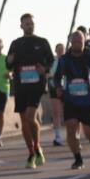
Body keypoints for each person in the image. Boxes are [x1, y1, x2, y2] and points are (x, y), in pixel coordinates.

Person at [6, 13, 55, 169]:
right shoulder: (16, 43)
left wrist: (45, 69)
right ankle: (31, 153)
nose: (29, 26)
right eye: (26, 24)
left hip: (37, 85)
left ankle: (37, 146)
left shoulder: (42, 42)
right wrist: (9, 61)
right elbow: (8, 64)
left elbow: (52, 63)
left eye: (31, 23)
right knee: (24, 122)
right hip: (20, 85)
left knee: (30, 116)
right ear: (21, 26)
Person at [53, 31, 90, 169]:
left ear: (84, 41)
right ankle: (78, 159)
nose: (77, 44)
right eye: (74, 41)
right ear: (70, 42)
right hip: (71, 100)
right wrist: (58, 87)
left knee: (88, 132)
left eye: (80, 41)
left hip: (89, 100)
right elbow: (57, 77)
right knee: (71, 128)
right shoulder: (64, 59)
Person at [50, 43, 66, 146]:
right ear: (55, 51)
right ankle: (58, 136)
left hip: (67, 89)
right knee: (56, 113)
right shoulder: (52, 62)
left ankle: (74, 135)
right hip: (54, 88)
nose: (60, 51)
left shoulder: (68, 60)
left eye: (62, 49)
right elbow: (48, 73)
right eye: (58, 49)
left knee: (69, 113)